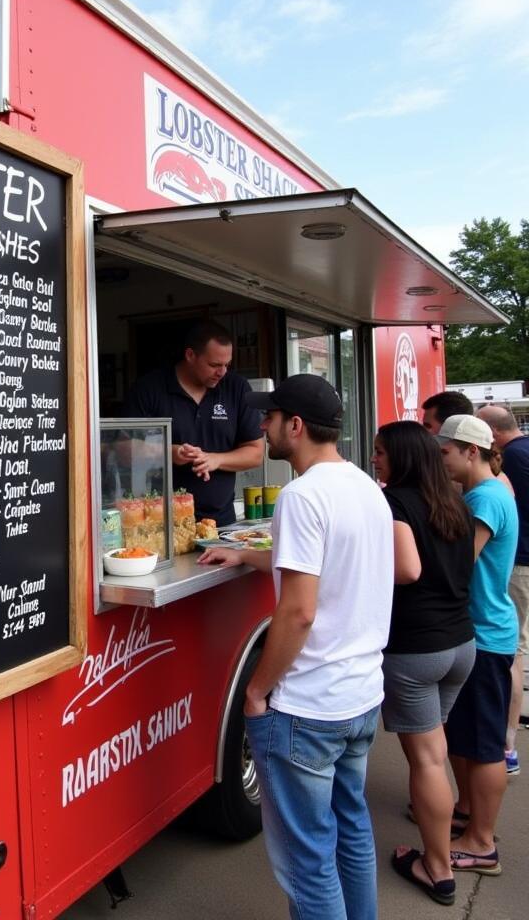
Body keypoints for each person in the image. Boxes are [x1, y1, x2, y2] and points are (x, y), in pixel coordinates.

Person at [198, 374, 393, 920]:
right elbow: (324, 566)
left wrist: (257, 691)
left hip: (310, 707)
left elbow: (300, 611)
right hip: (359, 699)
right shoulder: (363, 485)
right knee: (351, 830)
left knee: (308, 859)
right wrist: (246, 556)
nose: (262, 426)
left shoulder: (303, 496)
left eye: (270, 417)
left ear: (296, 426)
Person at [372, 422, 475, 906]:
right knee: (434, 751)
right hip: (460, 645)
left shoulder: (396, 503)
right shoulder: (453, 500)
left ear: (403, 458)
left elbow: (406, 569)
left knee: (427, 759)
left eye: (380, 453)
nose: (375, 460)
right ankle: (441, 848)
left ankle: (436, 867)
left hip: (417, 649)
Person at [436, 415, 518, 877]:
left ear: (471, 451)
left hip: (485, 635)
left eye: (446, 452)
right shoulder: (484, 492)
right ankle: (467, 813)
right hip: (482, 632)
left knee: (485, 744)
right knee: (467, 735)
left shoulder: (484, 497)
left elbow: (458, 564)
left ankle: (482, 843)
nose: (440, 459)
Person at [124, 319, 263, 526]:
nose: (222, 372)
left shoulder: (237, 388)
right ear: (190, 355)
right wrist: (170, 452)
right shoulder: (149, 388)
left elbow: (256, 453)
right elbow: (122, 450)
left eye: (227, 365)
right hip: (161, 523)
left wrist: (215, 460)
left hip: (220, 523)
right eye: (215, 365)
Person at [476, 405, 529, 776]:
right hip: (520, 562)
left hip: (519, 565)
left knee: (511, 653)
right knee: (516, 650)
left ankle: (505, 746)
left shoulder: (510, 464)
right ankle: (505, 744)